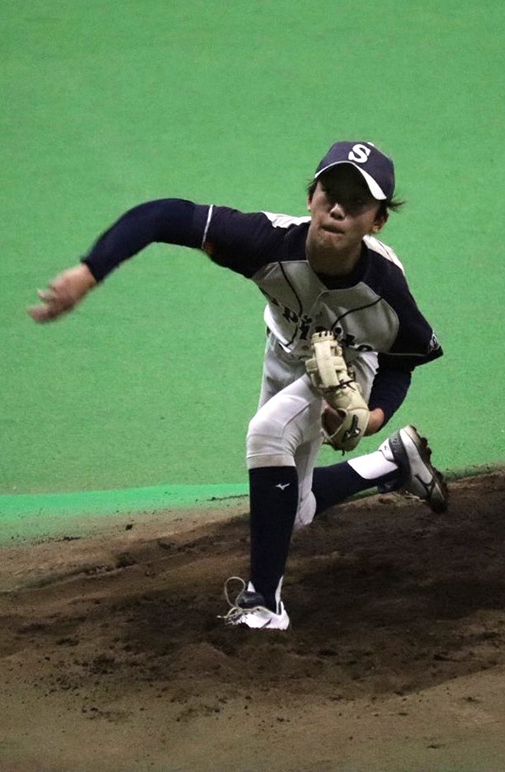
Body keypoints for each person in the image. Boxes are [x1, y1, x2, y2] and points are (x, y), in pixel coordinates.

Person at [29, 140, 447, 631]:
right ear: (311, 195)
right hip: (284, 352)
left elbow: (405, 361)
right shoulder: (265, 240)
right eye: (329, 193)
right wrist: (89, 272)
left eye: (356, 203)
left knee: (267, 434)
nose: (337, 208)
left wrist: (370, 415)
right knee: (290, 512)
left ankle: (263, 604)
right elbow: (164, 216)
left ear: (376, 221)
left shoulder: (387, 295)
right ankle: (392, 464)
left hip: (354, 364)